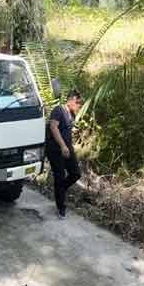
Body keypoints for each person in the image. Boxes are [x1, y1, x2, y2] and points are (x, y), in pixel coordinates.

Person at [46, 90, 83, 219]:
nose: (79, 105)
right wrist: (62, 145)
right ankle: (61, 207)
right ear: (72, 99)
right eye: (78, 102)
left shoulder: (71, 114)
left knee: (75, 173)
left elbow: (68, 131)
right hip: (55, 149)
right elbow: (53, 127)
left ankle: (60, 189)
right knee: (59, 176)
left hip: (67, 148)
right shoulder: (58, 110)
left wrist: (68, 147)